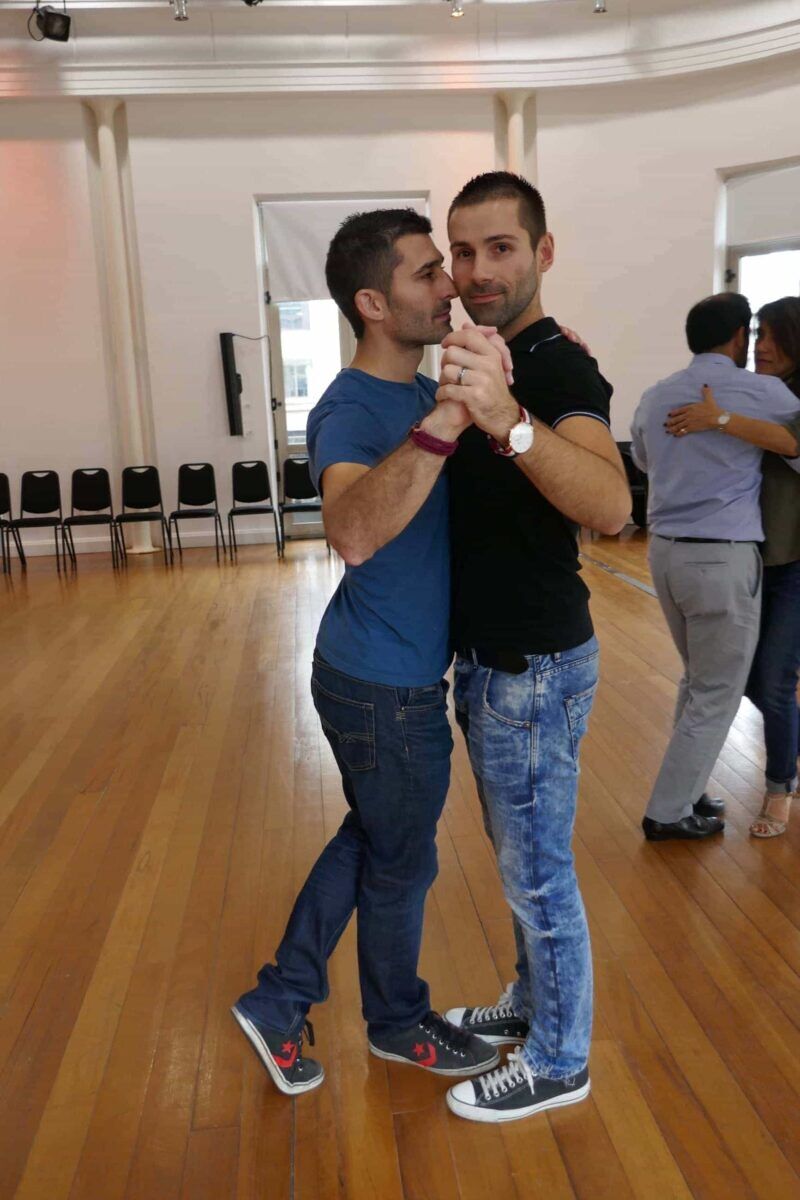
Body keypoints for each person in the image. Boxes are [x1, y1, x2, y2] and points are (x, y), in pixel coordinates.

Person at [231, 209, 501, 1094]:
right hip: (381, 684)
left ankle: (283, 998)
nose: (450, 284)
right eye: (428, 273)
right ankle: (390, 1022)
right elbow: (351, 530)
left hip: (397, 674)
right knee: (402, 859)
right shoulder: (348, 408)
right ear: (374, 303)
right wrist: (442, 427)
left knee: (382, 840)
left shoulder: (425, 394)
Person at [433, 172, 631, 1124]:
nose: (477, 271)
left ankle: (559, 1060)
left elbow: (612, 506)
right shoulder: (480, 350)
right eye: (462, 251)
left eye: (499, 248)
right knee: (516, 856)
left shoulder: (555, 367)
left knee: (539, 867)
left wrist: (510, 423)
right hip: (492, 661)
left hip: (535, 665)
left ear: (542, 254)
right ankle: (530, 1001)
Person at [630, 292, 800, 844]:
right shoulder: (762, 392)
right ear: (738, 340)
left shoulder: (656, 396)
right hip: (721, 557)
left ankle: (691, 788)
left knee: (697, 680)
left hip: (665, 553)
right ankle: (667, 811)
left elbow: (643, 461)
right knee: (716, 692)